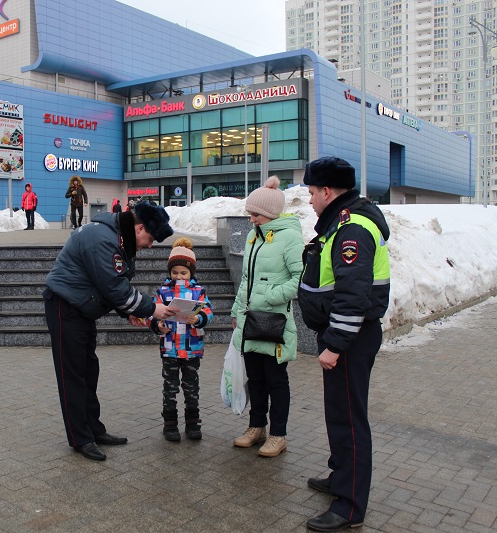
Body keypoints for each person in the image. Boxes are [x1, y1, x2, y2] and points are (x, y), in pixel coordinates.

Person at [43, 200, 177, 461]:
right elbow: (115, 288)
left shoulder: (118, 237)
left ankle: (93, 430)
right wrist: (153, 309)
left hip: (81, 308)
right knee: (73, 376)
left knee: (88, 371)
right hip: (65, 307)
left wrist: (134, 313)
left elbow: (113, 287)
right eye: (150, 239)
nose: (150, 245)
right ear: (139, 228)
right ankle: (80, 438)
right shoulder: (103, 239)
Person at [298, 156, 390, 532]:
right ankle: (341, 477)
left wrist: (335, 345)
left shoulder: (352, 229)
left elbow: (353, 295)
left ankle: (349, 505)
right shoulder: (342, 221)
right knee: (339, 413)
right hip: (346, 334)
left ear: (327, 191)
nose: (309, 200)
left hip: (350, 337)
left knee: (349, 420)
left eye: (311, 192)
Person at [230, 176, 304, 457]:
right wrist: (237, 310)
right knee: (256, 379)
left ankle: (278, 434)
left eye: (256, 214)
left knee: (276, 381)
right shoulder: (254, 236)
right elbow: (246, 279)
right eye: (250, 214)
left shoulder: (290, 237)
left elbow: (301, 278)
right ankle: (256, 427)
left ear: (270, 214)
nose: (251, 219)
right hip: (250, 320)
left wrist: (269, 295)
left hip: (274, 323)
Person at [149, 237, 213, 442]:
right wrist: (158, 325)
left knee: (191, 387)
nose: (178, 276)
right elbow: (152, 314)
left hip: (192, 349)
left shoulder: (199, 291)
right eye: (174, 272)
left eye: (183, 273)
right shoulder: (162, 292)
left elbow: (208, 312)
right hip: (170, 349)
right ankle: (170, 425)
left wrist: (198, 318)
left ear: (191, 272)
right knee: (170, 388)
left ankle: (193, 424)